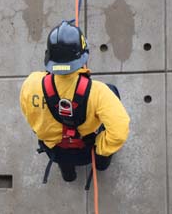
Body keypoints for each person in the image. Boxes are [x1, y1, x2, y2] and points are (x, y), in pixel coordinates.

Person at [20, 20, 130, 188]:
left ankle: (68, 176)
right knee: (112, 90)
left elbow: (29, 116)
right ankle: (101, 163)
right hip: (87, 150)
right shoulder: (99, 92)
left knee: (65, 163)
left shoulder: (31, 84)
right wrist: (101, 147)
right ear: (82, 56)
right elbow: (119, 132)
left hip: (55, 150)